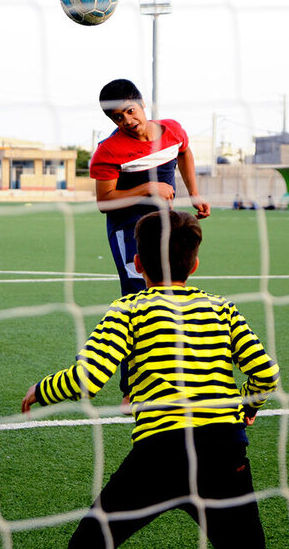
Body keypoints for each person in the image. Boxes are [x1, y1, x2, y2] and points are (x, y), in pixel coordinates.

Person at [21, 210, 279, 548]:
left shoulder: (129, 308)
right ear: (194, 264)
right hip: (222, 451)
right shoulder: (222, 308)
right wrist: (248, 404)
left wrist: (41, 389)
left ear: (137, 263)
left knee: (89, 544)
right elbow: (266, 373)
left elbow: (88, 378)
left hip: (160, 454)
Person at [90, 78, 211, 400]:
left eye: (130, 111)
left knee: (171, 302)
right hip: (129, 233)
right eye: (117, 117)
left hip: (165, 228)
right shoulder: (108, 151)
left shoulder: (172, 130)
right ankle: (131, 389)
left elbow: (184, 152)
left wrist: (194, 193)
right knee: (139, 306)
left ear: (143, 105)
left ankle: (170, 378)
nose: (128, 121)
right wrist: (146, 188)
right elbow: (105, 202)